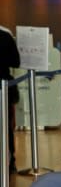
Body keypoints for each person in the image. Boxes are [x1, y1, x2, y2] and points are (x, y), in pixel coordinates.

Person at [0, 27, 20, 174]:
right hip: (3, 85)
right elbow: (16, 62)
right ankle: (10, 160)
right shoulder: (6, 36)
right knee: (6, 125)